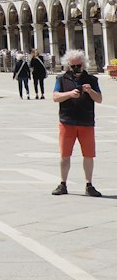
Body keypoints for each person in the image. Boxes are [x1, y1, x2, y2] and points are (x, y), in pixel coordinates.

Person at [52, 48, 103, 196]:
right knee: (64, 154)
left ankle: (89, 184)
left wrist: (90, 91)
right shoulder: (61, 79)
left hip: (86, 121)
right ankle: (62, 184)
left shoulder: (92, 80)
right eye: (73, 66)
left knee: (88, 155)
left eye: (78, 66)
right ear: (68, 65)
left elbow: (99, 99)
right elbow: (55, 97)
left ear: (84, 65)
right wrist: (69, 94)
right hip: (67, 121)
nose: (76, 69)